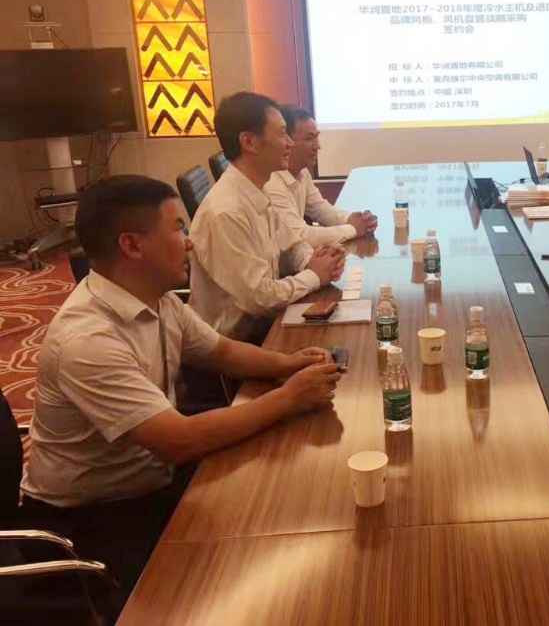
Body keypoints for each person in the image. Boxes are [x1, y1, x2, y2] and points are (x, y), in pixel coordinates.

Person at [21, 175, 341, 602]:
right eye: (176, 228)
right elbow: (179, 441)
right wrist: (289, 397)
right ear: (132, 245)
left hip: (151, 478)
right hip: (92, 521)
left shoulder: (158, 297)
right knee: (238, 567)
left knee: (287, 490)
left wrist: (289, 363)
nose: (188, 242)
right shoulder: (88, 340)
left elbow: (222, 352)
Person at [190, 92, 345, 342]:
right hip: (237, 343)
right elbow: (259, 298)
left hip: (264, 323)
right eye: (282, 134)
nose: (290, 143)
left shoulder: (257, 187)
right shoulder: (226, 211)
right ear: (249, 142)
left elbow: (290, 245)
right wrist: (314, 276)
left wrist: (311, 260)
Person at [266, 105, 378, 248]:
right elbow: (300, 236)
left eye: (316, 137)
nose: (317, 146)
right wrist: (353, 228)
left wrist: (352, 219)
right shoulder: (271, 182)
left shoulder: (302, 172)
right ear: (287, 141)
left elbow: (320, 209)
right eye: (309, 139)